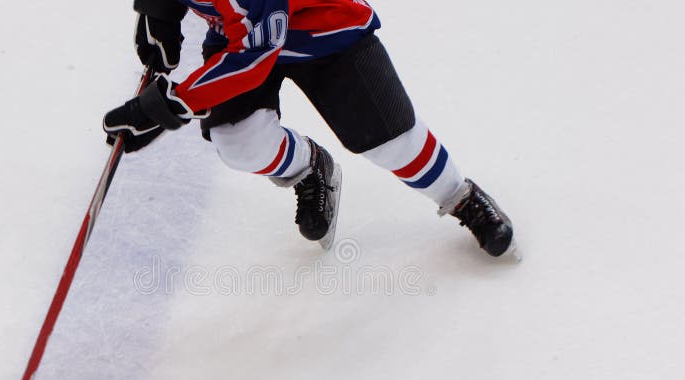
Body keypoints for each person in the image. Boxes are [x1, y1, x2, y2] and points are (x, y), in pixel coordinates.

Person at [104, 0, 516, 256]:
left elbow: (253, 58)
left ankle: (459, 196)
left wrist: (166, 106)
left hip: (325, 29)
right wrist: (158, 11)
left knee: (394, 144)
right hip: (239, 34)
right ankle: (310, 168)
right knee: (239, 143)